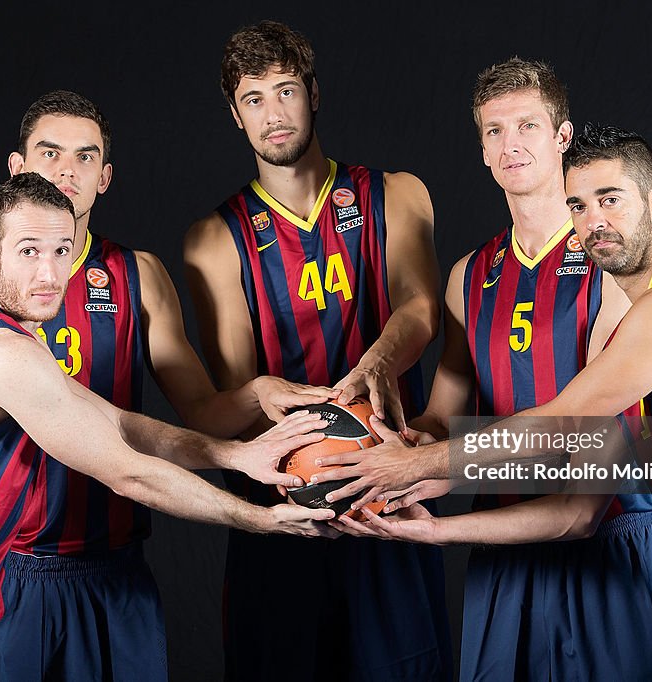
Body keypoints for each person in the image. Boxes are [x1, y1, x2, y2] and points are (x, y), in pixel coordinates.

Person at [319, 124, 652, 681]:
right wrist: (433, 530)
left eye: (611, 199)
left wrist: (419, 463)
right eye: (578, 204)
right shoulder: (622, 342)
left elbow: (560, 422)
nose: (593, 220)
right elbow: (577, 513)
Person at [0, 91, 334, 680]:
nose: (65, 170)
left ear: (105, 177)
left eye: (85, 157)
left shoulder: (138, 276)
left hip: (112, 570)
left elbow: (200, 412)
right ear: (16, 168)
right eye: (49, 153)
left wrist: (257, 394)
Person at [331, 59, 652, 681]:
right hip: (503, 546)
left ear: (562, 137)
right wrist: (396, 456)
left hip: (607, 544)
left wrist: (430, 484)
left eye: (527, 126)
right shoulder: (471, 275)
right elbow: (444, 414)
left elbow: (595, 455)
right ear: (483, 151)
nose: (510, 144)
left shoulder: (614, 264)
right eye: (494, 131)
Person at [183, 20, 451, 681]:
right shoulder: (215, 241)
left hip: (390, 495)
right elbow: (242, 396)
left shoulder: (396, 193)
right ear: (235, 115)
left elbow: (420, 308)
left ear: (314, 93)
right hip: (283, 516)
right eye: (254, 98)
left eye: (286, 91)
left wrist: (380, 361)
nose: (274, 114)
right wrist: (293, 425)